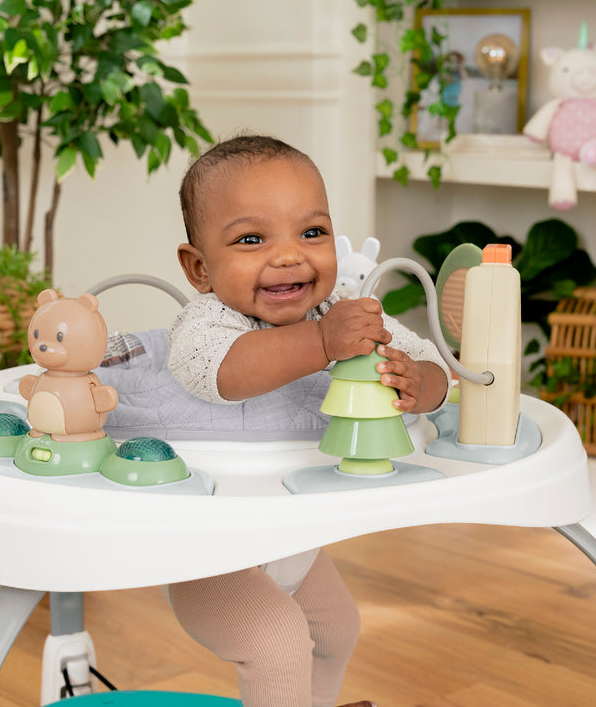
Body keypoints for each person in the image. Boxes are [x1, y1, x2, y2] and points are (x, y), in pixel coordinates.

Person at [166, 134, 451, 707]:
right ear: (200, 268)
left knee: (337, 630)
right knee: (277, 642)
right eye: (251, 238)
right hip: (212, 554)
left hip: (296, 539)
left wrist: (422, 385)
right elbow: (221, 373)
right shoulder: (205, 323)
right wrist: (322, 340)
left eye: (312, 232)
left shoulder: (340, 304)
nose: (290, 254)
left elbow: (433, 359)